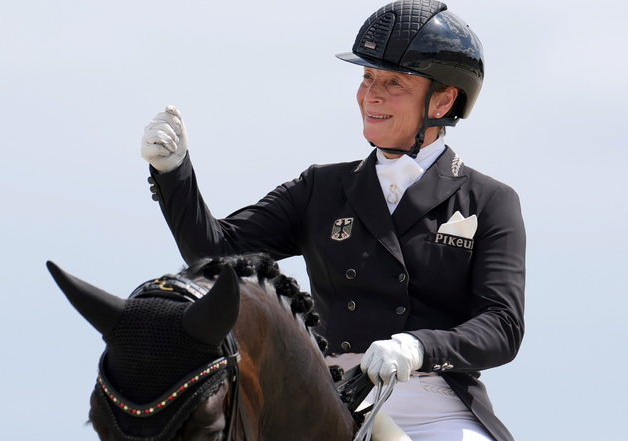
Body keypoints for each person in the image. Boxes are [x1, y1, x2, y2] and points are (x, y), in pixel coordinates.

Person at [140, 1, 526, 440]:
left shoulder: (489, 201)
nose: (371, 95)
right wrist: (175, 175)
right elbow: (219, 254)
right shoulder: (321, 188)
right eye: (367, 78)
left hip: (435, 406)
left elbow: (502, 325)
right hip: (328, 399)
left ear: (443, 98)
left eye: (393, 82)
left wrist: (420, 347)